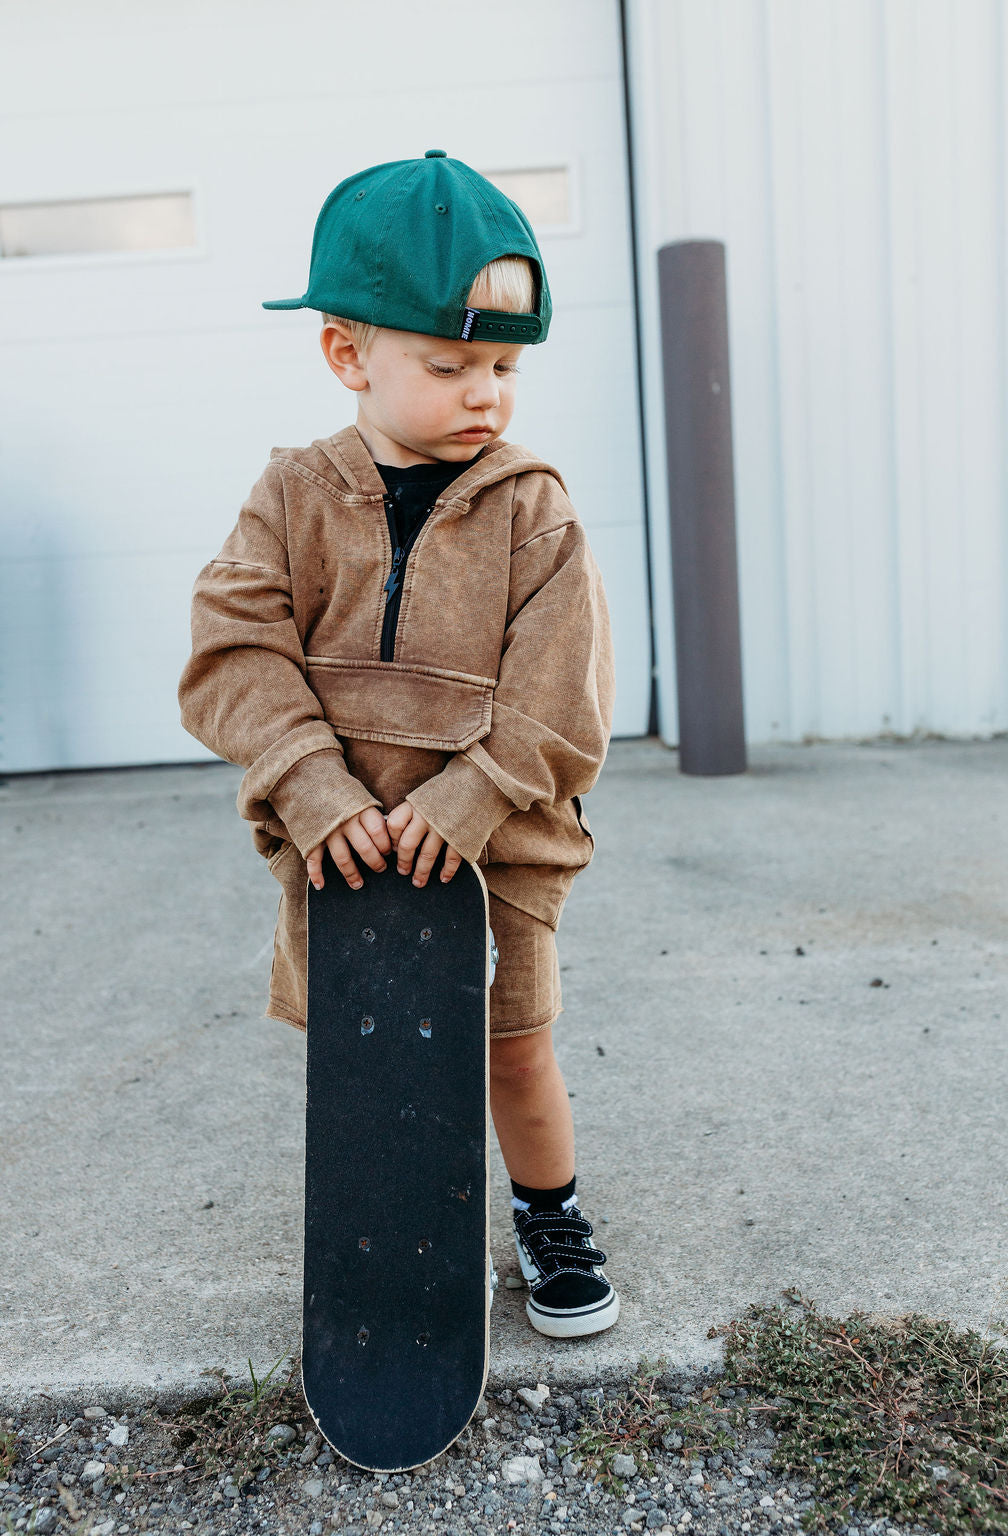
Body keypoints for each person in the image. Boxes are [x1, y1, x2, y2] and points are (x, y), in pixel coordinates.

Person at [177, 150, 618, 1338]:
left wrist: (469, 803)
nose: (487, 394)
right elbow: (233, 654)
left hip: (498, 856)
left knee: (511, 1052)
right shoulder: (291, 498)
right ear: (346, 353)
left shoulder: (535, 509)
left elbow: (559, 696)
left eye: (504, 367)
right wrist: (316, 793)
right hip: (348, 861)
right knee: (367, 1072)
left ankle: (547, 1209)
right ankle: (391, 1225)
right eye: (451, 364)